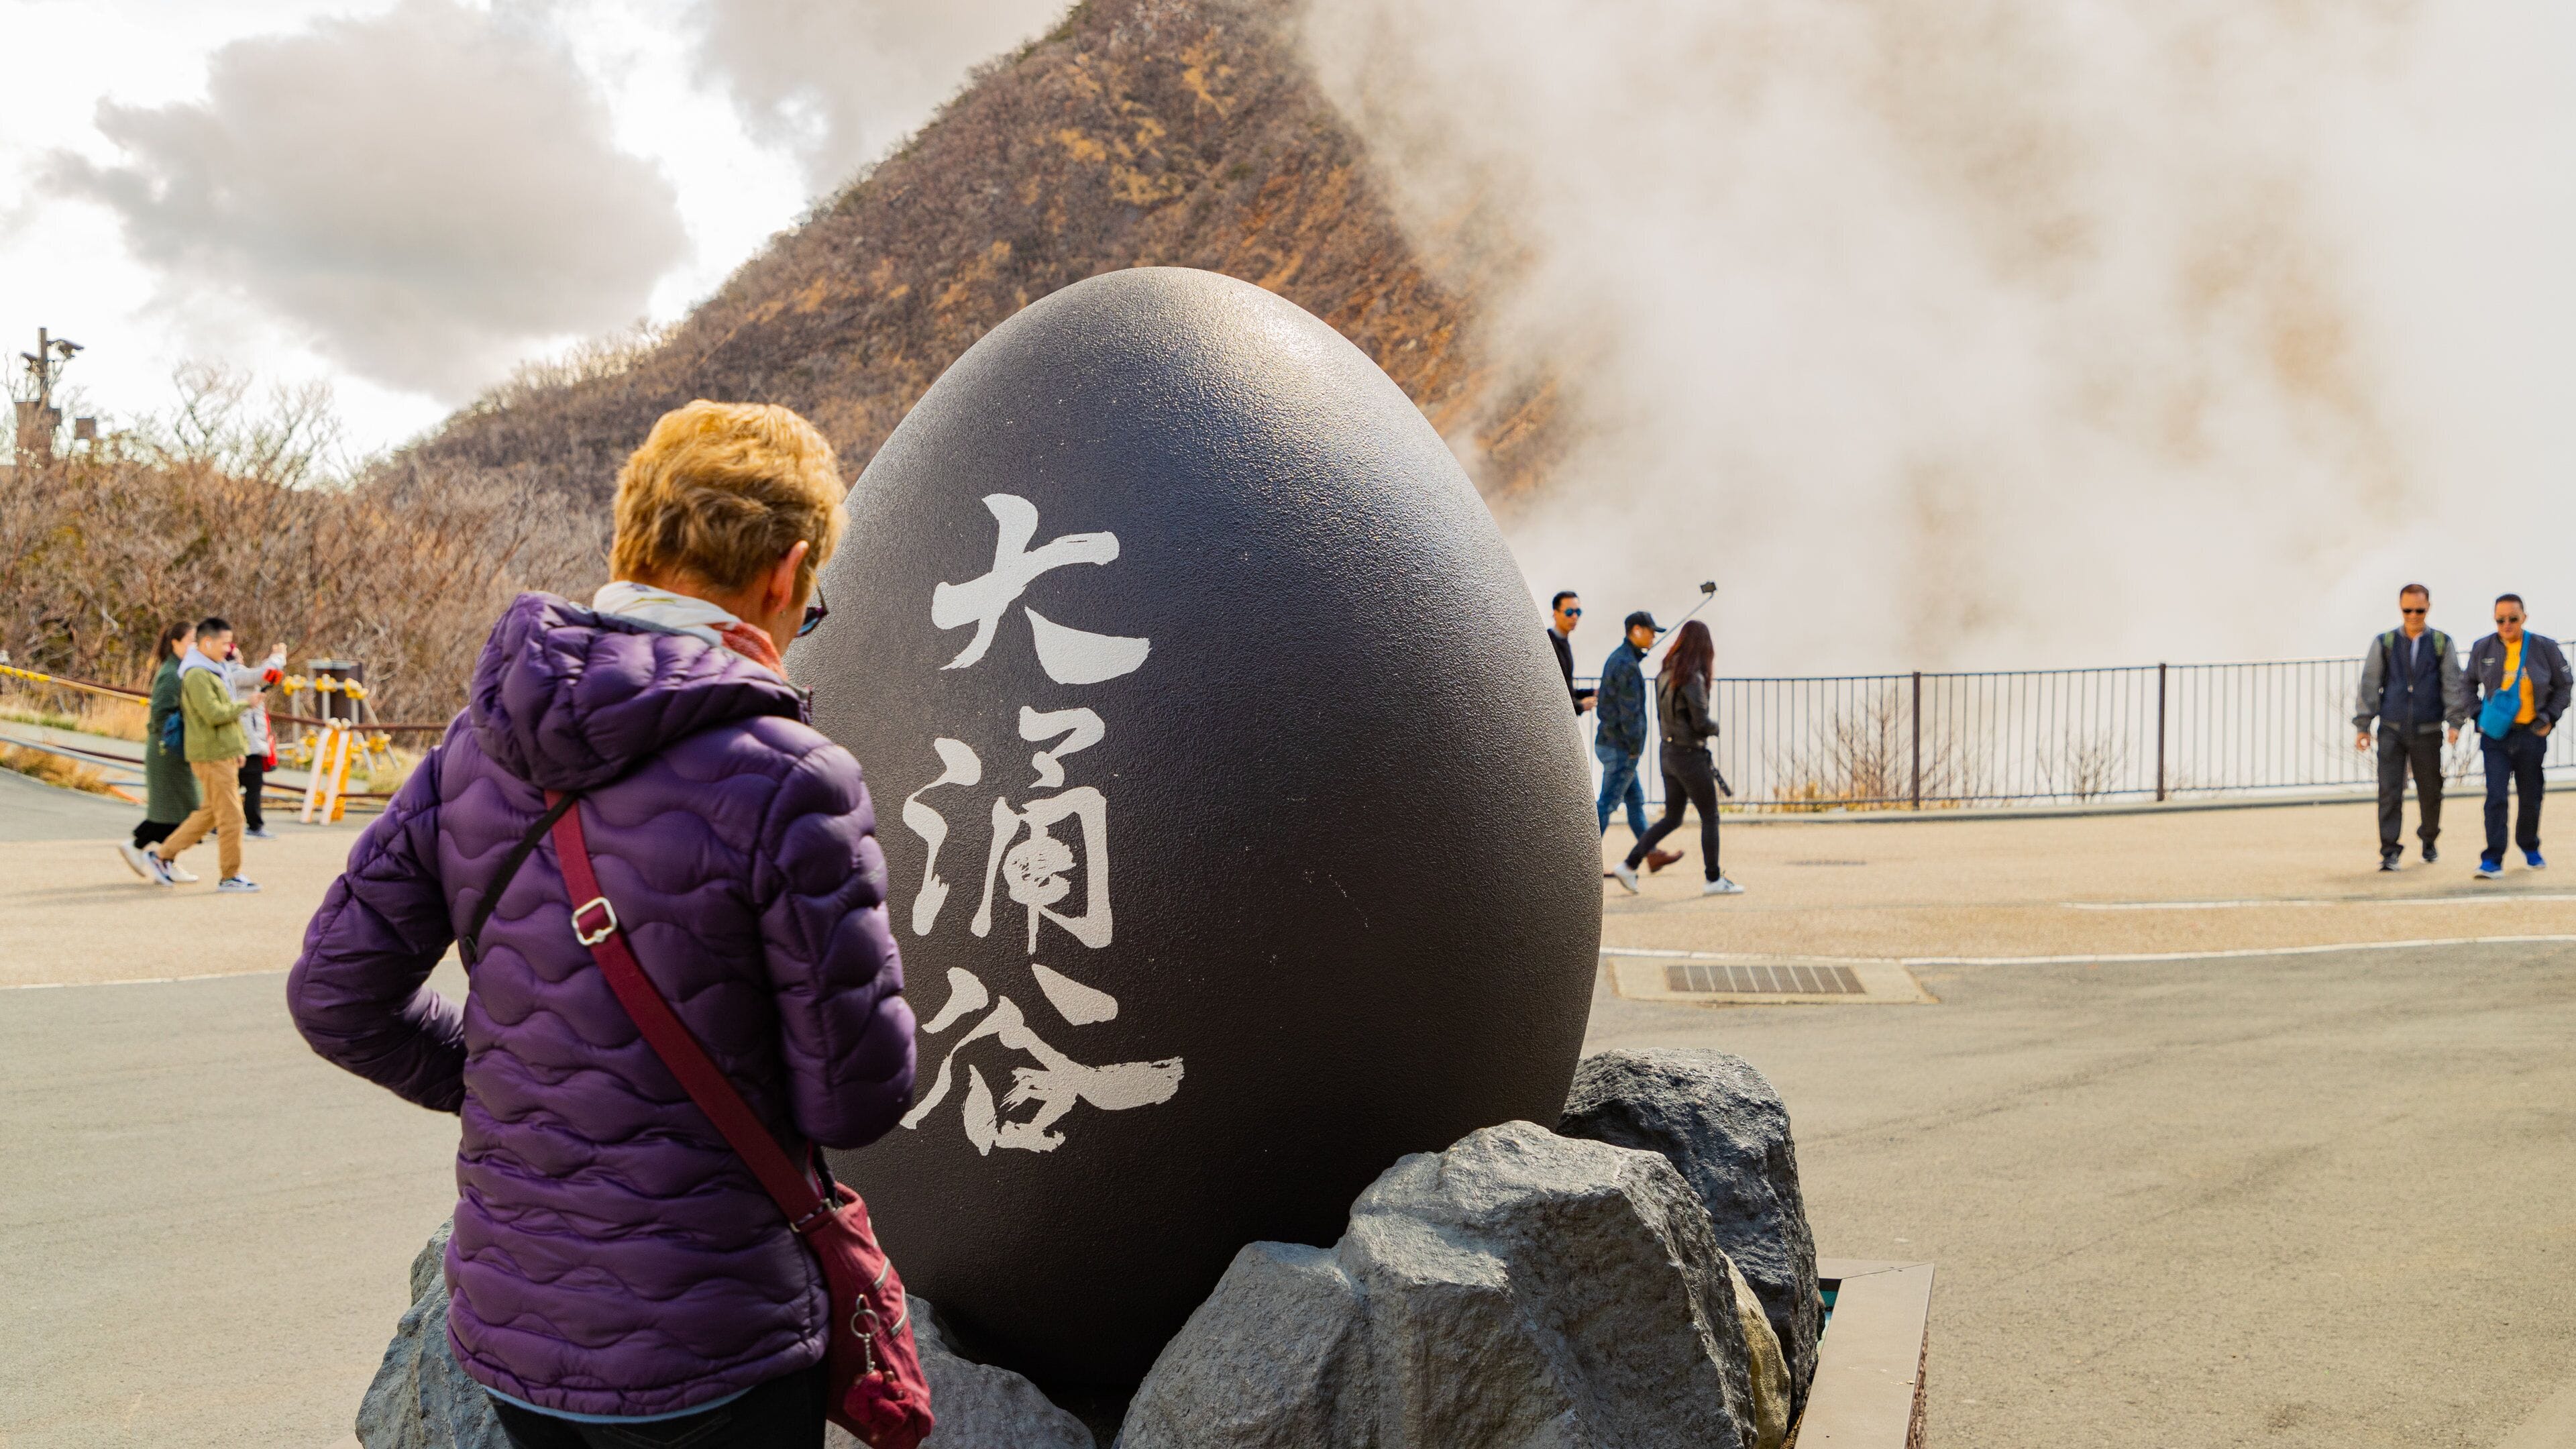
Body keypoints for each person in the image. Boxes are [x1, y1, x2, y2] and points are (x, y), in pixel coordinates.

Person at [288, 400, 914, 1448]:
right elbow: (853, 1095)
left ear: (631, 545)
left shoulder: (472, 749)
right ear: (785, 573)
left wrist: (505, 1081)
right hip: (715, 1342)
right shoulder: (791, 780)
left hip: (514, 1331)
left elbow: (335, 997)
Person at [1611, 619, 1742, 896]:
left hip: (1667, 753)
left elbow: (1664, 716)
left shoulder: (1665, 673)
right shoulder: (1692, 677)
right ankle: (1713, 879)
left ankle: (1629, 864)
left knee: (1673, 817)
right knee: (1710, 815)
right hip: (1689, 755)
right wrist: (1715, 728)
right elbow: (1700, 722)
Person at [2351, 584, 2467, 870]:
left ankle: (2429, 839)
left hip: (2428, 729)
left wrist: (2455, 722)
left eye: (2419, 609)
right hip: (2391, 728)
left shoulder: (2442, 643)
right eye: (2407, 610)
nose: (2413, 615)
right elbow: (2370, 683)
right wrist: (2363, 725)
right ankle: (2390, 851)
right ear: (2400, 608)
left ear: (2428, 607)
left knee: (2430, 790)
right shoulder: (2385, 642)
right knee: (2389, 792)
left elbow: (2453, 684)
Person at [142, 616, 261, 892]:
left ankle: (162, 856)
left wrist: (238, 748)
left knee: (209, 813)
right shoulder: (197, 674)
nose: (228, 649)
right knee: (232, 818)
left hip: (221, 752)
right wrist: (246, 704)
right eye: (225, 643)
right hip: (211, 755)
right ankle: (230, 875)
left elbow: (223, 714)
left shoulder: (213, 669)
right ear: (207, 642)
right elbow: (214, 714)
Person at [2467, 594, 2569, 881]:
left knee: (2531, 796)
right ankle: (2492, 858)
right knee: (2496, 797)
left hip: (2531, 734)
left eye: (2513, 618)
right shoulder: (2483, 647)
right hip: (2495, 737)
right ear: (2494, 619)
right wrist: (2478, 717)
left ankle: (2530, 846)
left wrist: (2548, 718)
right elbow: (2466, 685)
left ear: (2524, 617)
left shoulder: (2544, 648)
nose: (2507, 624)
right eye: (2501, 620)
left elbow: (2564, 685)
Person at [117, 621, 203, 882]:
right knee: (174, 812)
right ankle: (144, 849)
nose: (195, 646)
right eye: (191, 640)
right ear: (175, 642)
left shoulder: (182, 670)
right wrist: (180, 730)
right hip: (168, 749)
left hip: (175, 749)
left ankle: (163, 859)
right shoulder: (171, 673)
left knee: (178, 811)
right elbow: (160, 714)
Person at [1595, 610, 1680, 869]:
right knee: (1607, 805)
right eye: (1650, 631)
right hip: (1620, 749)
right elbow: (1629, 714)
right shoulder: (1626, 666)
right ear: (1636, 630)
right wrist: (1634, 750)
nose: (1654, 636)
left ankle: (1651, 853)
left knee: (1635, 801)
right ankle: (1578, 861)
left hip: (1614, 745)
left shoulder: (1624, 660)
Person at [228, 641, 285, 839]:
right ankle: (253, 825)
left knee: (235, 784)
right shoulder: (234, 673)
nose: (242, 658)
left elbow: (263, 675)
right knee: (252, 784)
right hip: (246, 741)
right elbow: (262, 673)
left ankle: (227, 823)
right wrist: (278, 656)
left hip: (245, 739)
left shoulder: (231, 675)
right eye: (239, 654)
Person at [1547, 591, 1595, 714]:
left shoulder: (1563, 642)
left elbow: (1567, 689)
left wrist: (1593, 692)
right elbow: (1551, 692)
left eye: (1578, 612)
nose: (1574, 617)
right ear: (1555, 613)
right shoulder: (1549, 645)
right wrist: (1580, 706)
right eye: (1569, 612)